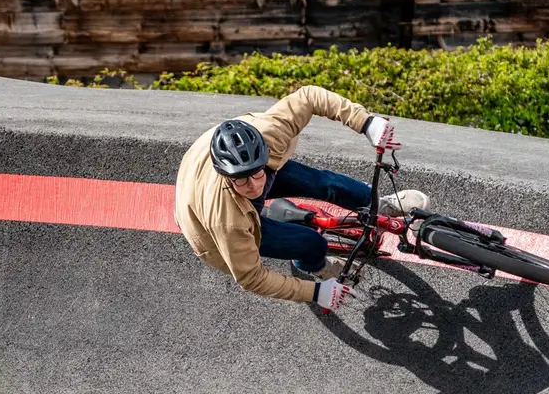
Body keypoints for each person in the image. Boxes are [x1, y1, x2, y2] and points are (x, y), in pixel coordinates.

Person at [174, 85, 431, 311]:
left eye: (257, 174)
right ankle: (317, 266)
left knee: (326, 183)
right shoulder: (227, 222)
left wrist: (367, 123)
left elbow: (309, 97)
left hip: (224, 170)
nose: (254, 186)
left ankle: (380, 205)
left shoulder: (271, 131)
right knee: (310, 243)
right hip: (208, 213)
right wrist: (316, 293)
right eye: (242, 179)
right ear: (226, 175)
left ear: (264, 152)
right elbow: (251, 278)